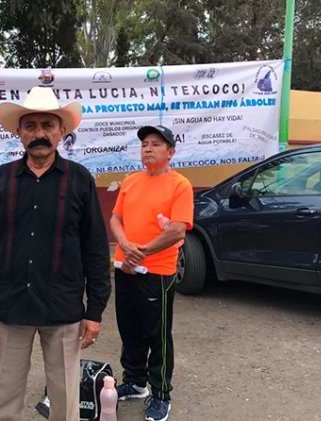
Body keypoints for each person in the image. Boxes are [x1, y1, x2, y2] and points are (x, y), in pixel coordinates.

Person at [0, 87, 111, 421]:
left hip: (63, 307)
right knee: (8, 395)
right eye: (30, 126)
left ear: (62, 132)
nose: (39, 133)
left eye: (48, 125)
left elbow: (94, 247)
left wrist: (96, 310)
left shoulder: (80, 180)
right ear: (19, 132)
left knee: (64, 398)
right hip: (9, 305)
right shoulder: (3, 179)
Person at [110, 125, 194, 421]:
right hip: (125, 267)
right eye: (144, 143)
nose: (148, 148)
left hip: (156, 271)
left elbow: (177, 231)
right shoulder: (131, 182)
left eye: (156, 144)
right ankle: (134, 382)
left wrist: (140, 252)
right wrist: (123, 244)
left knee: (156, 334)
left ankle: (160, 394)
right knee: (128, 327)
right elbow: (116, 218)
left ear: (170, 152)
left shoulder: (179, 185)